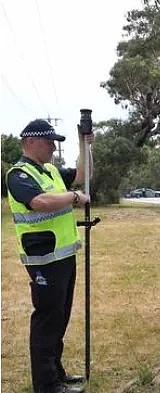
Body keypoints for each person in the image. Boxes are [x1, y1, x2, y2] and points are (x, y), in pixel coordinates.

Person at [6, 119, 93, 393]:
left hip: (63, 256)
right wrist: (75, 198)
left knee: (60, 317)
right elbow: (40, 202)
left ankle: (57, 374)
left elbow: (82, 174)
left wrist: (84, 144)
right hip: (43, 258)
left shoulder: (51, 171)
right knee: (47, 320)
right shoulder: (18, 175)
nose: (53, 148)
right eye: (49, 142)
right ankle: (46, 385)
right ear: (30, 141)